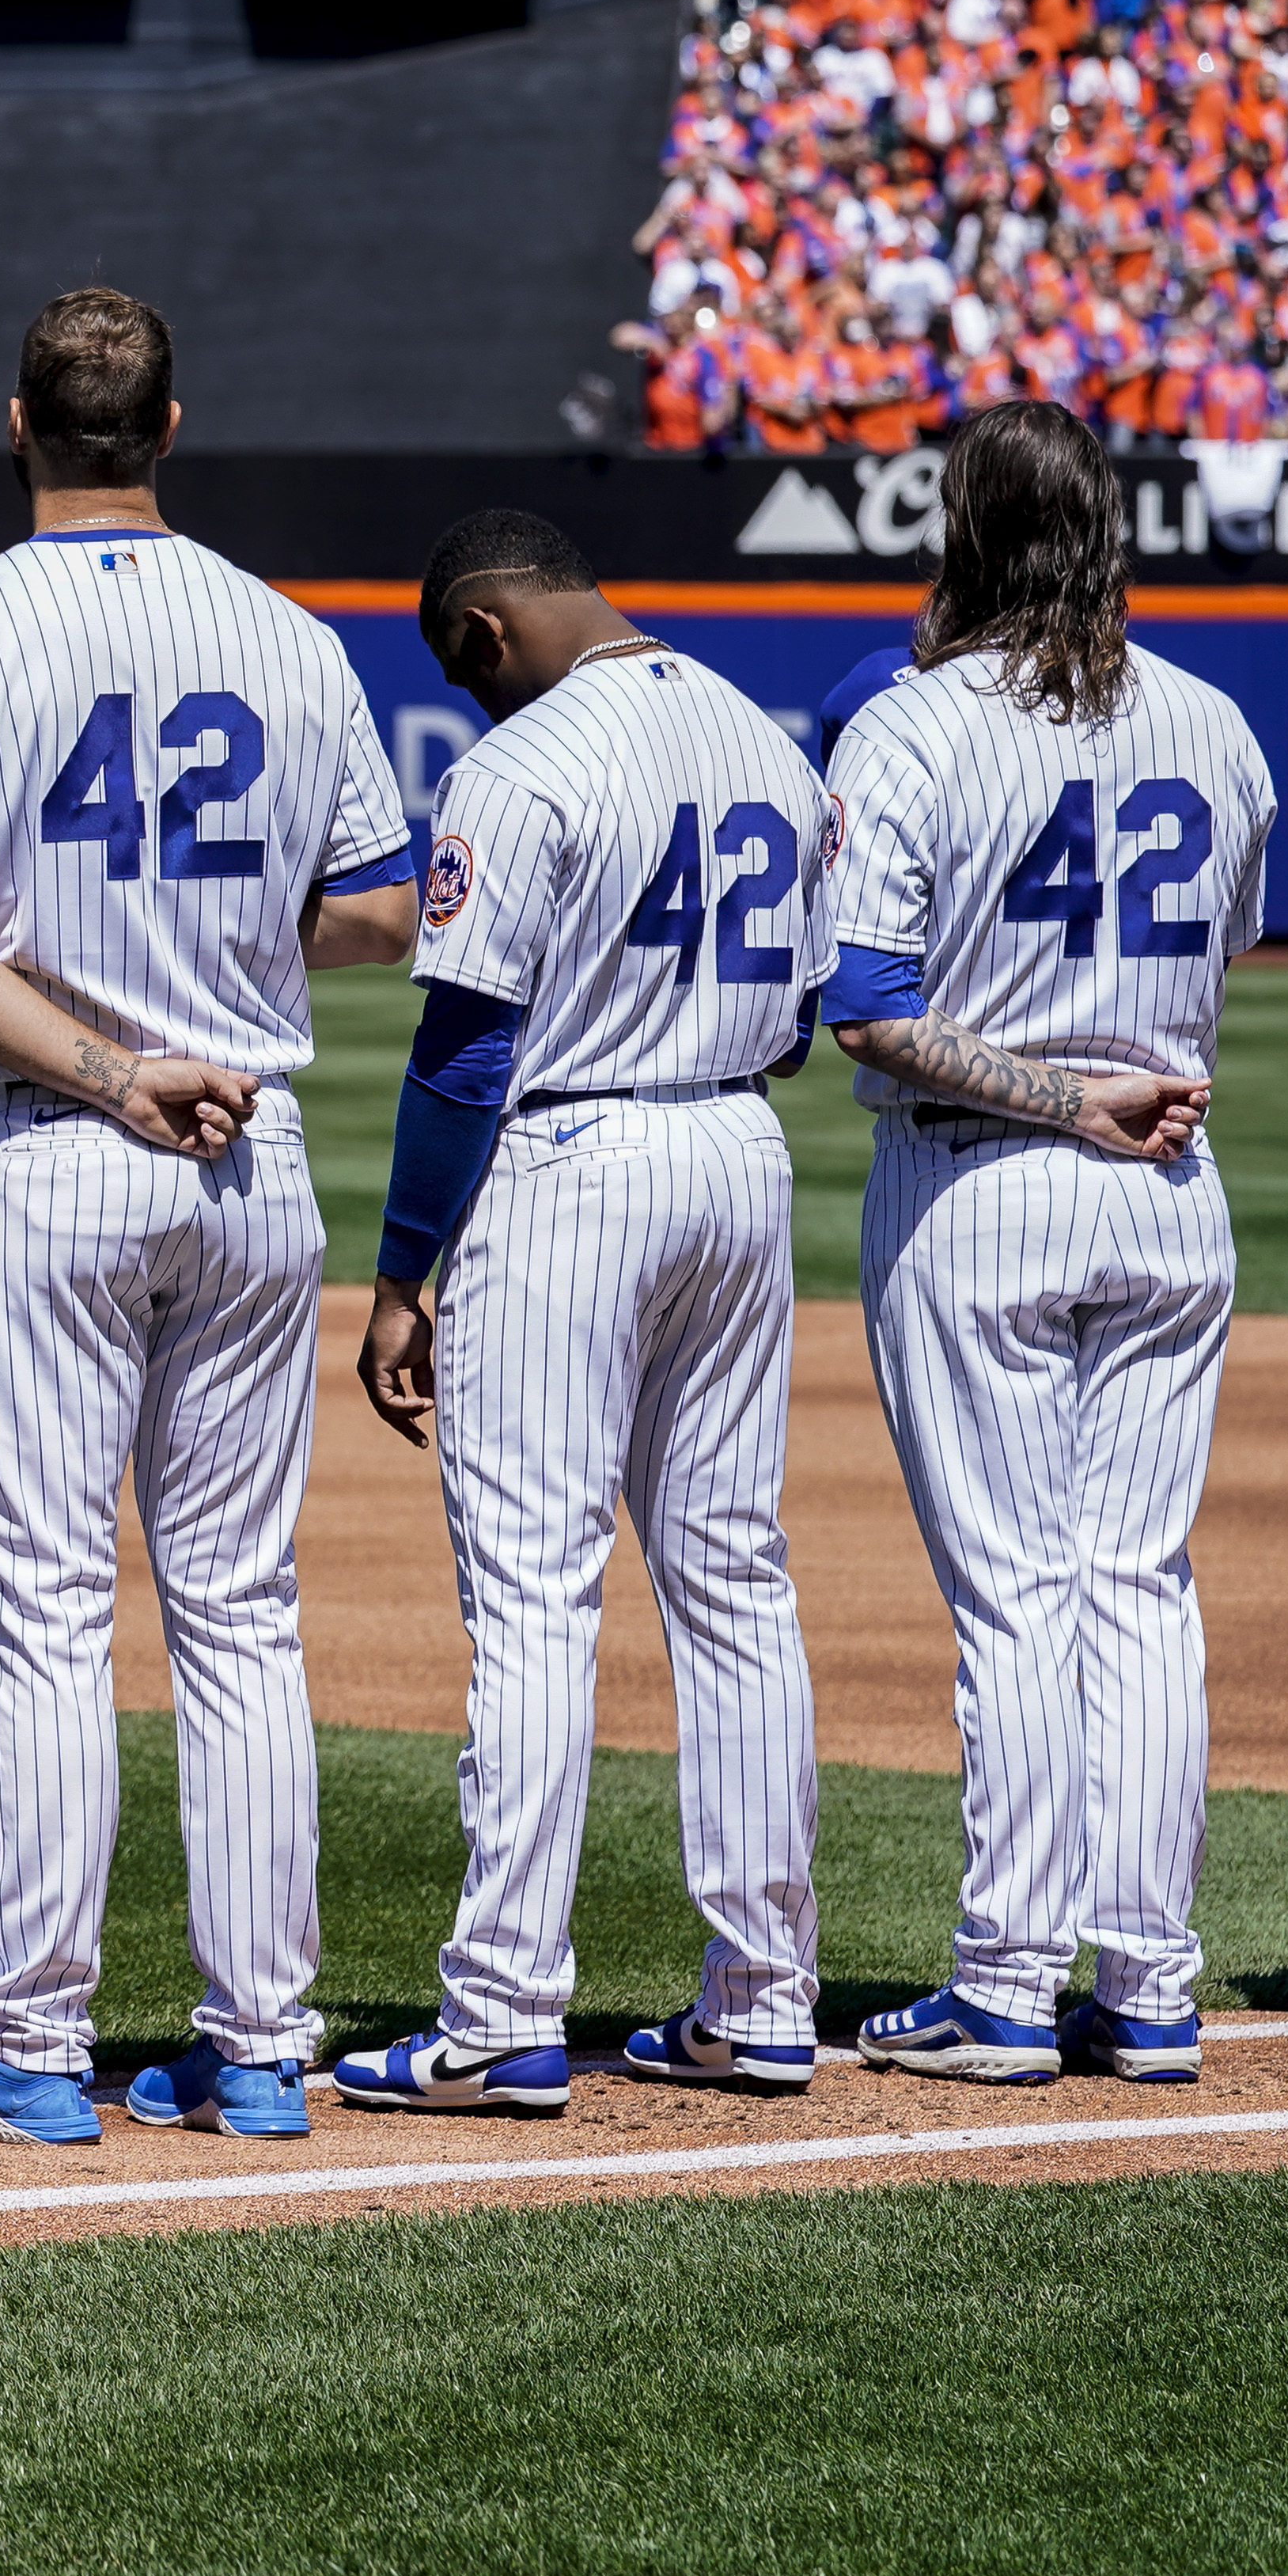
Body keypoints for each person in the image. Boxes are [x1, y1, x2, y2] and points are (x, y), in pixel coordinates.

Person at [0, 291, 417, 2151]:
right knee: (239, 1610)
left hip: (49, 1148)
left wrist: (95, 1055)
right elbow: (383, 911)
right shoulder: (283, 633)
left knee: (48, 1614)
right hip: (250, 1151)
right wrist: (224, 964)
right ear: (170, 424)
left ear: (15, 424)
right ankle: (255, 2045)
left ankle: (31, 2042)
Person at [346, 510, 832, 2115]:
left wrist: (402, 1269)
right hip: (735, 1149)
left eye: (454, 668)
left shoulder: (516, 761)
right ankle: (761, 1999)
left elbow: (463, 1053)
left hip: (569, 1158)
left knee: (536, 1591)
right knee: (732, 1576)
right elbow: (800, 1024)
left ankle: (496, 2010)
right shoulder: (762, 742)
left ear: (479, 631)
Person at [821, 402, 1269, 2086]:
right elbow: (1227, 940)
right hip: (1168, 1182)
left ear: (961, 531)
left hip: (985, 1179)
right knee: (1134, 1584)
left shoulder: (911, 723)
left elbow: (860, 1010)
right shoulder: (1216, 723)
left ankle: (1005, 1979)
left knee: (1015, 1589)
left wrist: (1054, 1097)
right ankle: (1147, 1979)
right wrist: (1107, 1088)